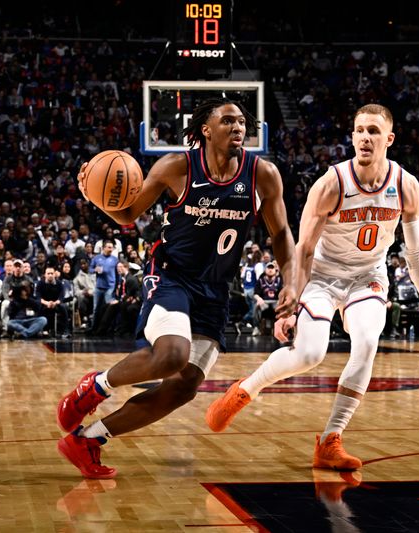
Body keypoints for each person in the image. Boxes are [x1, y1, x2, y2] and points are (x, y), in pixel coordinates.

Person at [205, 103, 419, 471]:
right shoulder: (331, 183)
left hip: (367, 275)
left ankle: (329, 440)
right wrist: (287, 307)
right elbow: (303, 249)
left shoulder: (406, 185)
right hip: (322, 275)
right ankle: (246, 389)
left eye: (373, 131)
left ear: (389, 138)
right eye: (359, 130)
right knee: (310, 355)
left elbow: (417, 252)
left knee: (368, 340)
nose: (364, 138)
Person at [55, 98, 296, 479]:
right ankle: (95, 386)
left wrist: (291, 281)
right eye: (228, 120)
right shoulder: (177, 166)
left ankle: (88, 441)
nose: (238, 127)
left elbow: (281, 232)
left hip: (216, 290)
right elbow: (129, 213)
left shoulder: (262, 173)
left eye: (242, 122)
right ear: (206, 128)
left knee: (183, 387)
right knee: (172, 355)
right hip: (171, 277)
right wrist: (96, 196)